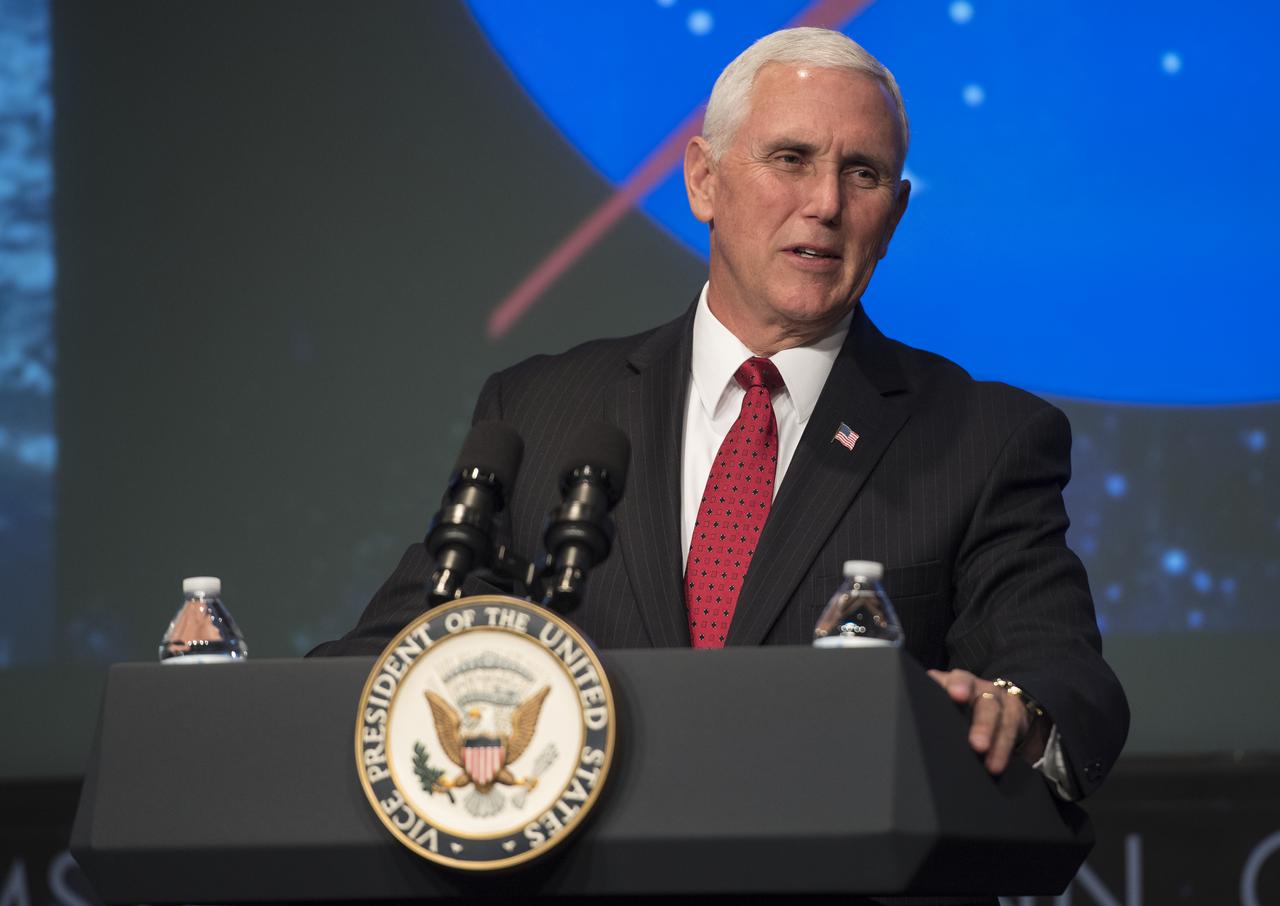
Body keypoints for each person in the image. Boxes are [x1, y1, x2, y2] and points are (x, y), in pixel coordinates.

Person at [315, 27, 1127, 807]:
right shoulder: (541, 410)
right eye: (791, 159)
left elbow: (1060, 671)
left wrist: (1016, 709)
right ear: (703, 180)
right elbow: (398, 648)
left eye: (864, 174)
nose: (826, 204)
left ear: (896, 215)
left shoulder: (981, 437)